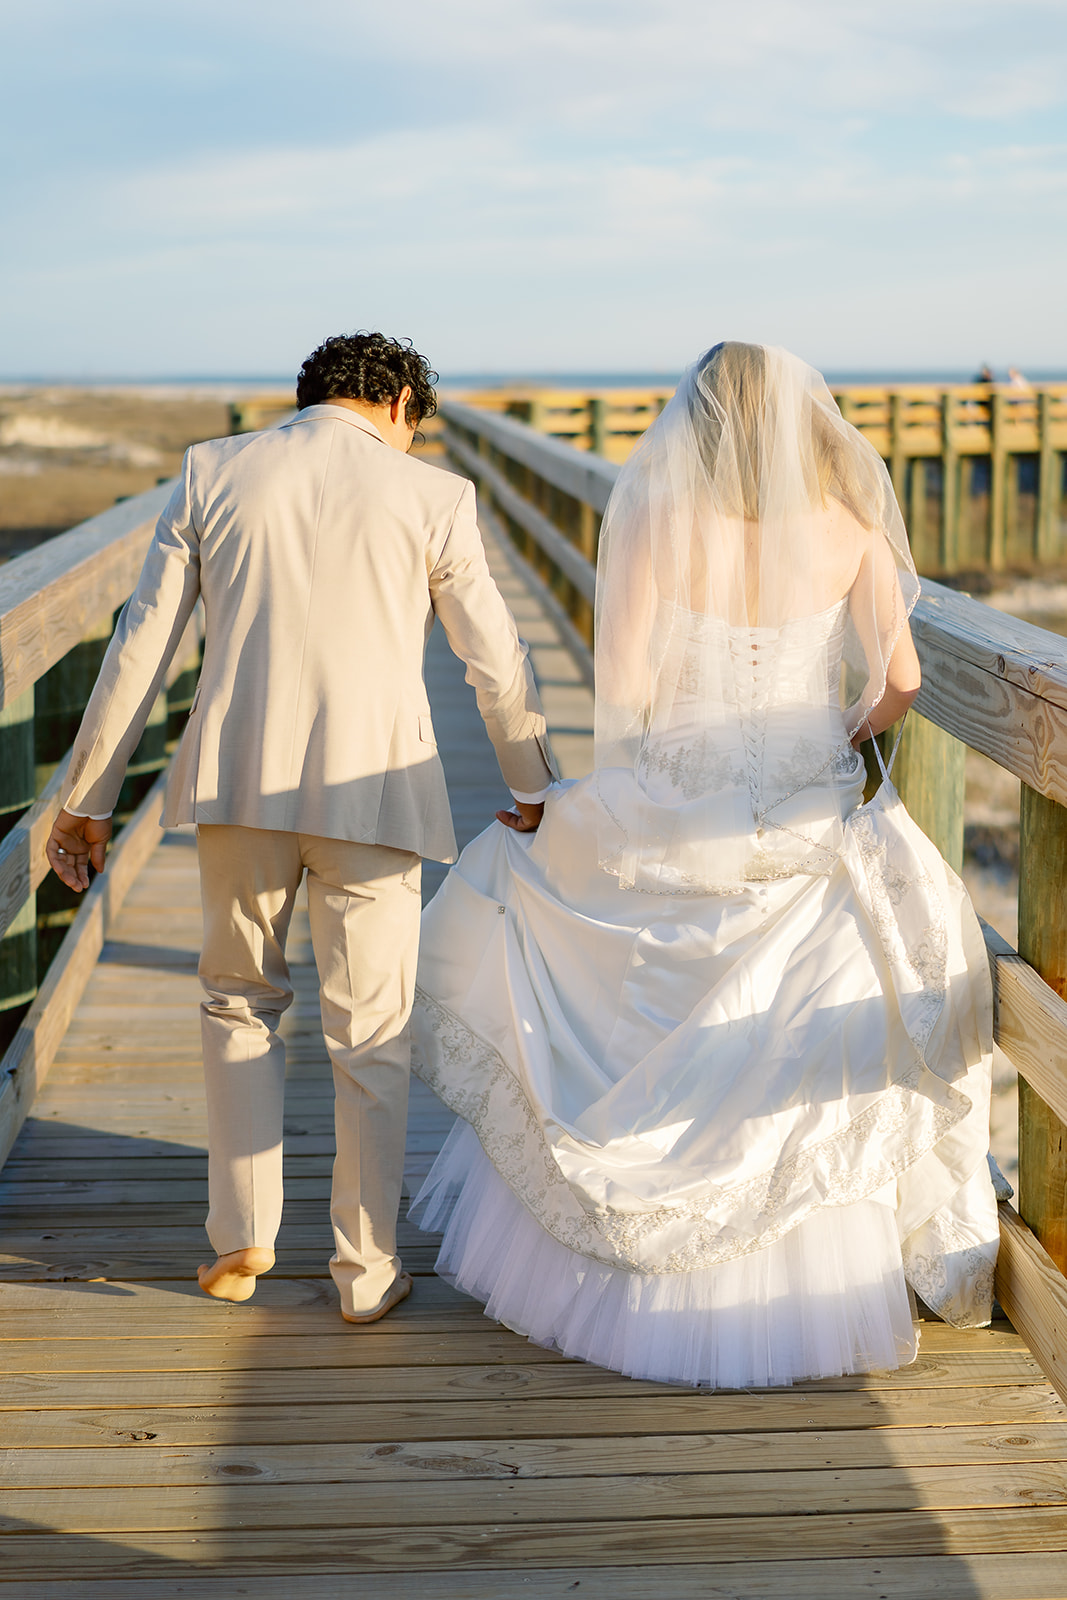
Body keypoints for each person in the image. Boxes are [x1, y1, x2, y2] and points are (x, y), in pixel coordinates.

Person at [410, 342, 1000, 1389]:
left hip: (681, 796)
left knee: (541, 897)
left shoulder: (655, 516)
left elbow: (625, 685)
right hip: (806, 802)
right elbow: (900, 681)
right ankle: (812, 1291)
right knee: (844, 996)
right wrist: (833, 731)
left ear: (701, 421)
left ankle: (620, 1269)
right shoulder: (850, 523)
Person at [45, 331, 557, 1322]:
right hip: (378, 792)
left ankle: (240, 1234)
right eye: (416, 425)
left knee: (238, 1002)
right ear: (399, 403)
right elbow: (494, 657)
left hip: (240, 784)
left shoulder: (213, 472)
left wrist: (87, 797)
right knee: (372, 1034)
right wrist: (530, 782)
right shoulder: (435, 496)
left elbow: (140, 643)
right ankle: (365, 1270)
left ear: (311, 394)